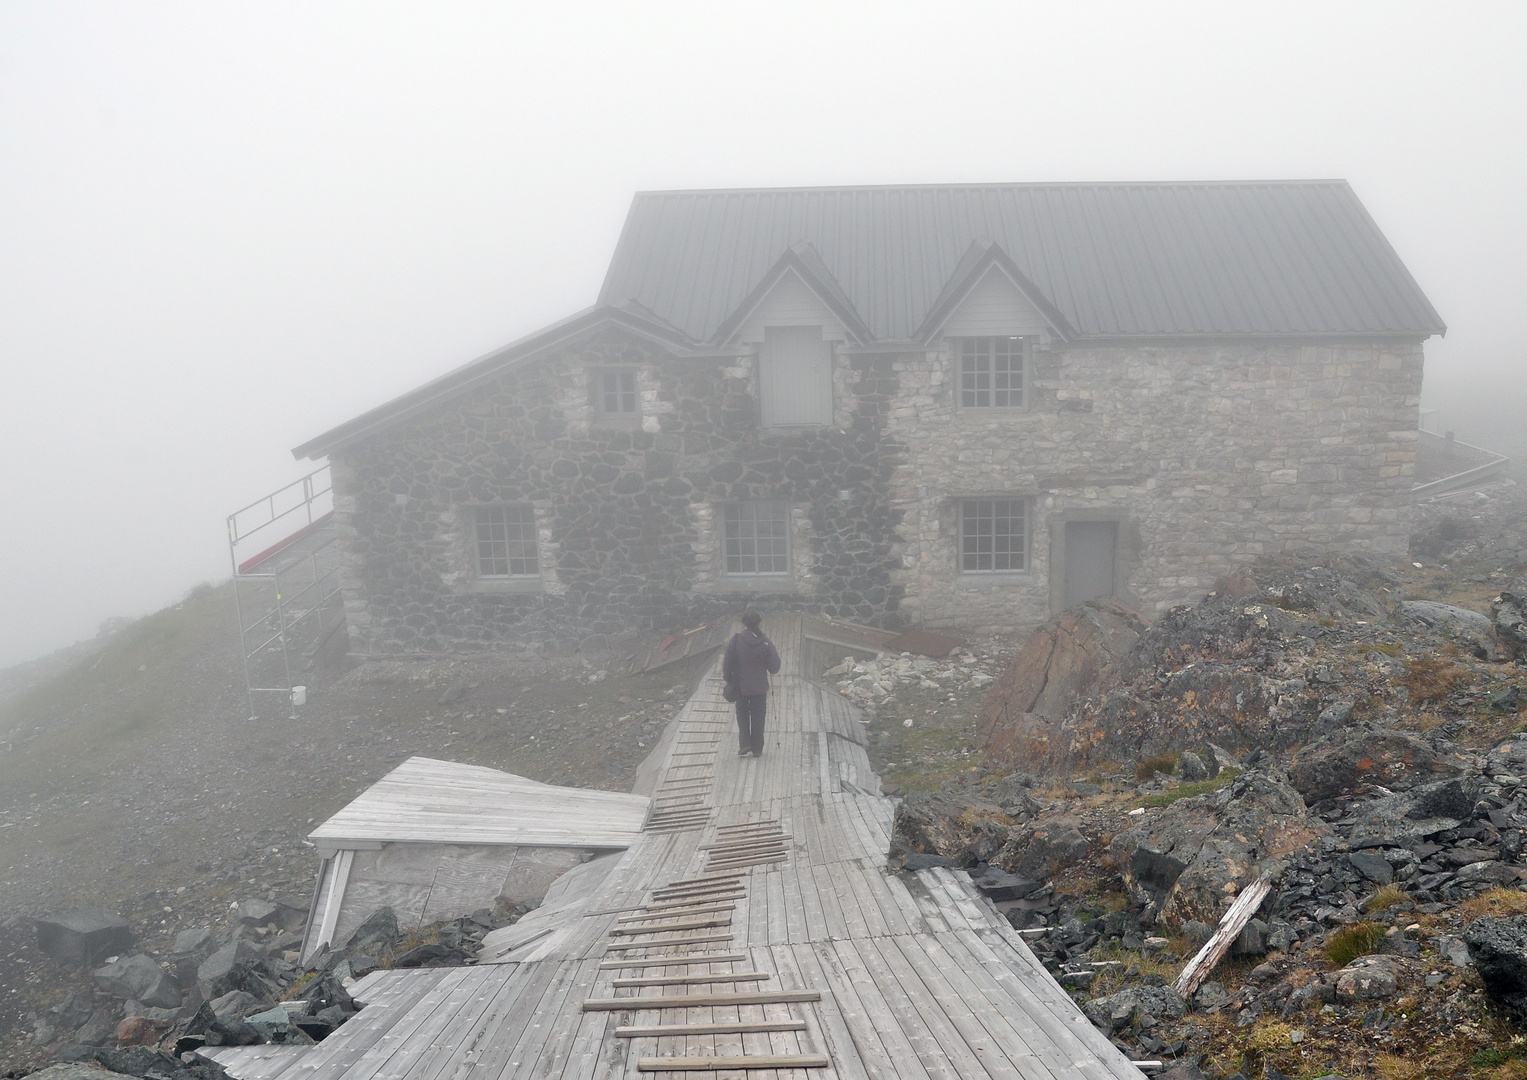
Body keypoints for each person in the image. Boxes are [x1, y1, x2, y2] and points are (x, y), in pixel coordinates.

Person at [721, 610, 780, 758]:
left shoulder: (736, 640)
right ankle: (757, 748)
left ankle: (744, 744)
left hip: (741, 685)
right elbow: (774, 666)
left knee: (742, 714)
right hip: (759, 687)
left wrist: (728, 679)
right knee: (758, 716)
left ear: (743, 624)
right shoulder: (765, 642)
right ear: (759, 623)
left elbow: (727, 662)